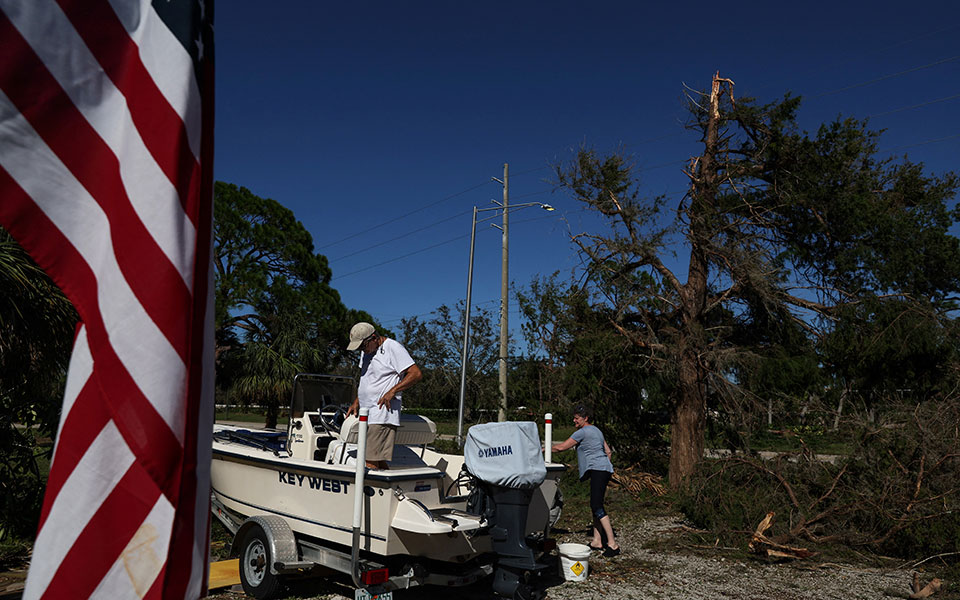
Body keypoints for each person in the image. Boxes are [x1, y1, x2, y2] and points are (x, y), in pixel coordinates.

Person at [345, 322, 422, 470]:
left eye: (363, 346)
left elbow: (416, 374)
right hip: (367, 413)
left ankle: (368, 485)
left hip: (381, 414)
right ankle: (389, 484)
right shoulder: (367, 352)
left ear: (374, 338)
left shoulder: (393, 348)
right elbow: (367, 379)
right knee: (377, 460)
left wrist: (392, 391)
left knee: (369, 460)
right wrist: (357, 401)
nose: (361, 350)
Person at [551, 404, 620, 557]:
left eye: (577, 418)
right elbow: (608, 452)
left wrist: (542, 449)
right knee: (595, 504)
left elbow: (561, 447)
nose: (574, 420)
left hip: (598, 470)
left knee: (596, 505)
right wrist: (603, 465)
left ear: (585, 418)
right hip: (603, 470)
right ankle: (597, 540)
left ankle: (612, 544)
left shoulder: (582, 432)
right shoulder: (597, 431)